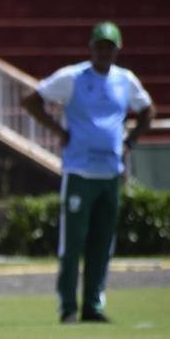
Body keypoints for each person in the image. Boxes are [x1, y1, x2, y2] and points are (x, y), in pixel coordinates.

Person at [21, 21, 153, 323]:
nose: (104, 52)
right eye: (100, 46)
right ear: (91, 48)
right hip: (79, 172)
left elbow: (148, 109)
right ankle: (68, 306)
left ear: (118, 50)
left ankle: (93, 304)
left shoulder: (125, 80)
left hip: (110, 173)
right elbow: (32, 100)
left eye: (110, 47)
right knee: (73, 243)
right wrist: (59, 131)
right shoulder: (73, 77)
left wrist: (130, 141)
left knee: (102, 244)